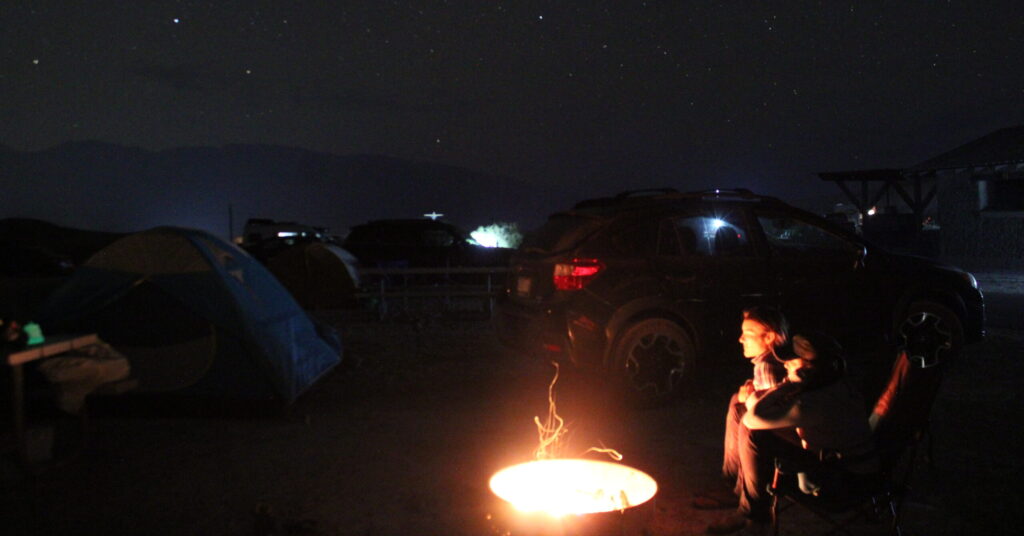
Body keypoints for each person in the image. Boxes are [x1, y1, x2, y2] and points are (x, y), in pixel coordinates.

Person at [705, 332, 878, 535]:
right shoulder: (838, 385)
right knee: (755, 426)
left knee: (754, 432)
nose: (784, 365)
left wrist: (789, 383)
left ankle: (756, 520)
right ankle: (749, 509)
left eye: (790, 362)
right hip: (856, 469)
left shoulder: (811, 403)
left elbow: (753, 417)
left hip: (840, 485)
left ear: (808, 369)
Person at [694, 306, 789, 511]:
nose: (740, 339)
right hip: (775, 431)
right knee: (736, 401)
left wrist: (751, 398)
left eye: (748, 334)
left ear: (769, 337)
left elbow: (768, 413)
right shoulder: (773, 361)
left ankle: (735, 488)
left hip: (773, 440)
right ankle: (732, 484)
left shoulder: (767, 366)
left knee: (740, 409)